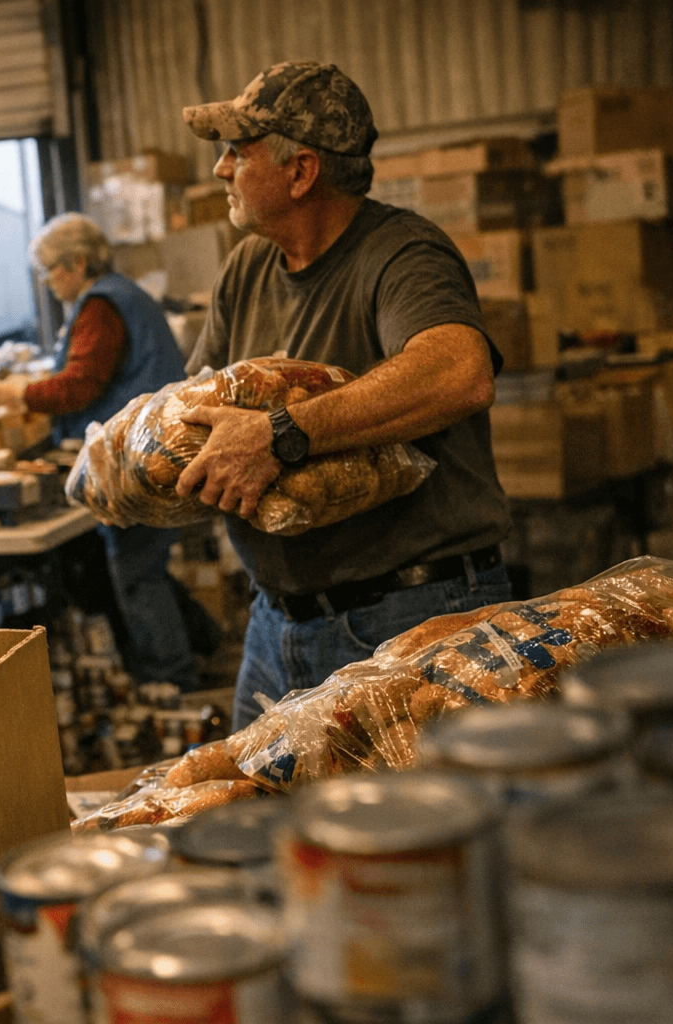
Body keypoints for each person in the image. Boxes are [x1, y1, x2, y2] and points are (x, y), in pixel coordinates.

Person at [175, 61, 514, 730]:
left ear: (301, 172)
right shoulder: (247, 266)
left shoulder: (403, 254)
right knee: (258, 825)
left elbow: (457, 372)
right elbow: (196, 403)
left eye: (235, 153)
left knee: (402, 829)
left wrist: (280, 434)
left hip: (408, 615)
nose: (219, 171)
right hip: (276, 622)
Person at [0, 212, 200, 690]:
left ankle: (172, 681)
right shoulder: (123, 294)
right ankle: (203, 644)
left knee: (138, 573)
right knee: (147, 563)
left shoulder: (101, 305)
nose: (48, 282)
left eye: (50, 270)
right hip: (148, 449)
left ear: (76, 263)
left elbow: (81, 384)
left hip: (136, 459)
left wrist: (19, 395)